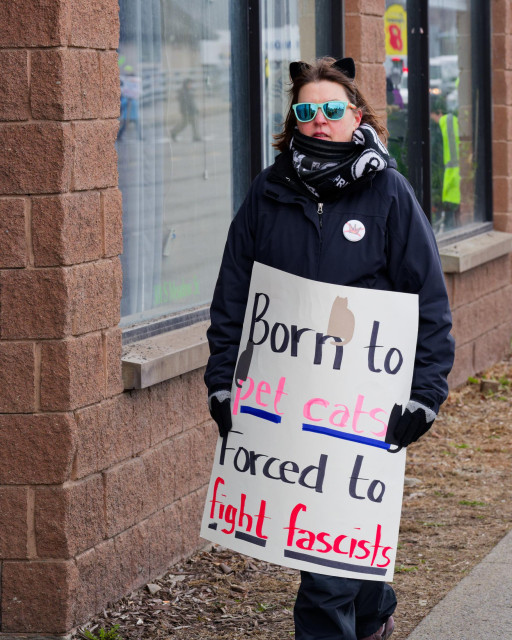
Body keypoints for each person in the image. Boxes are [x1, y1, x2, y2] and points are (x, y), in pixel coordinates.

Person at [205, 57, 455, 640]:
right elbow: (233, 296)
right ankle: (374, 612)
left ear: (357, 117)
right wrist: (222, 379)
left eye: (332, 111)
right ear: (294, 121)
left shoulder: (389, 192)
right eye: (306, 111)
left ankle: (348, 619)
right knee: (333, 536)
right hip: (288, 402)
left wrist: (425, 395)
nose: (319, 122)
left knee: (324, 569)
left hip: (365, 404)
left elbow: (429, 302)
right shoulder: (267, 193)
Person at [171, 78, 201, 142]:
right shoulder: (184, 92)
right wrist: (193, 109)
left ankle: (196, 137)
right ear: (186, 84)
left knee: (194, 123)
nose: (190, 85)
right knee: (183, 125)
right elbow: (188, 103)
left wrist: (195, 109)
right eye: (189, 84)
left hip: (191, 111)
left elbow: (192, 102)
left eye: (191, 84)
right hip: (187, 112)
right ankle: (173, 132)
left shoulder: (188, 91)